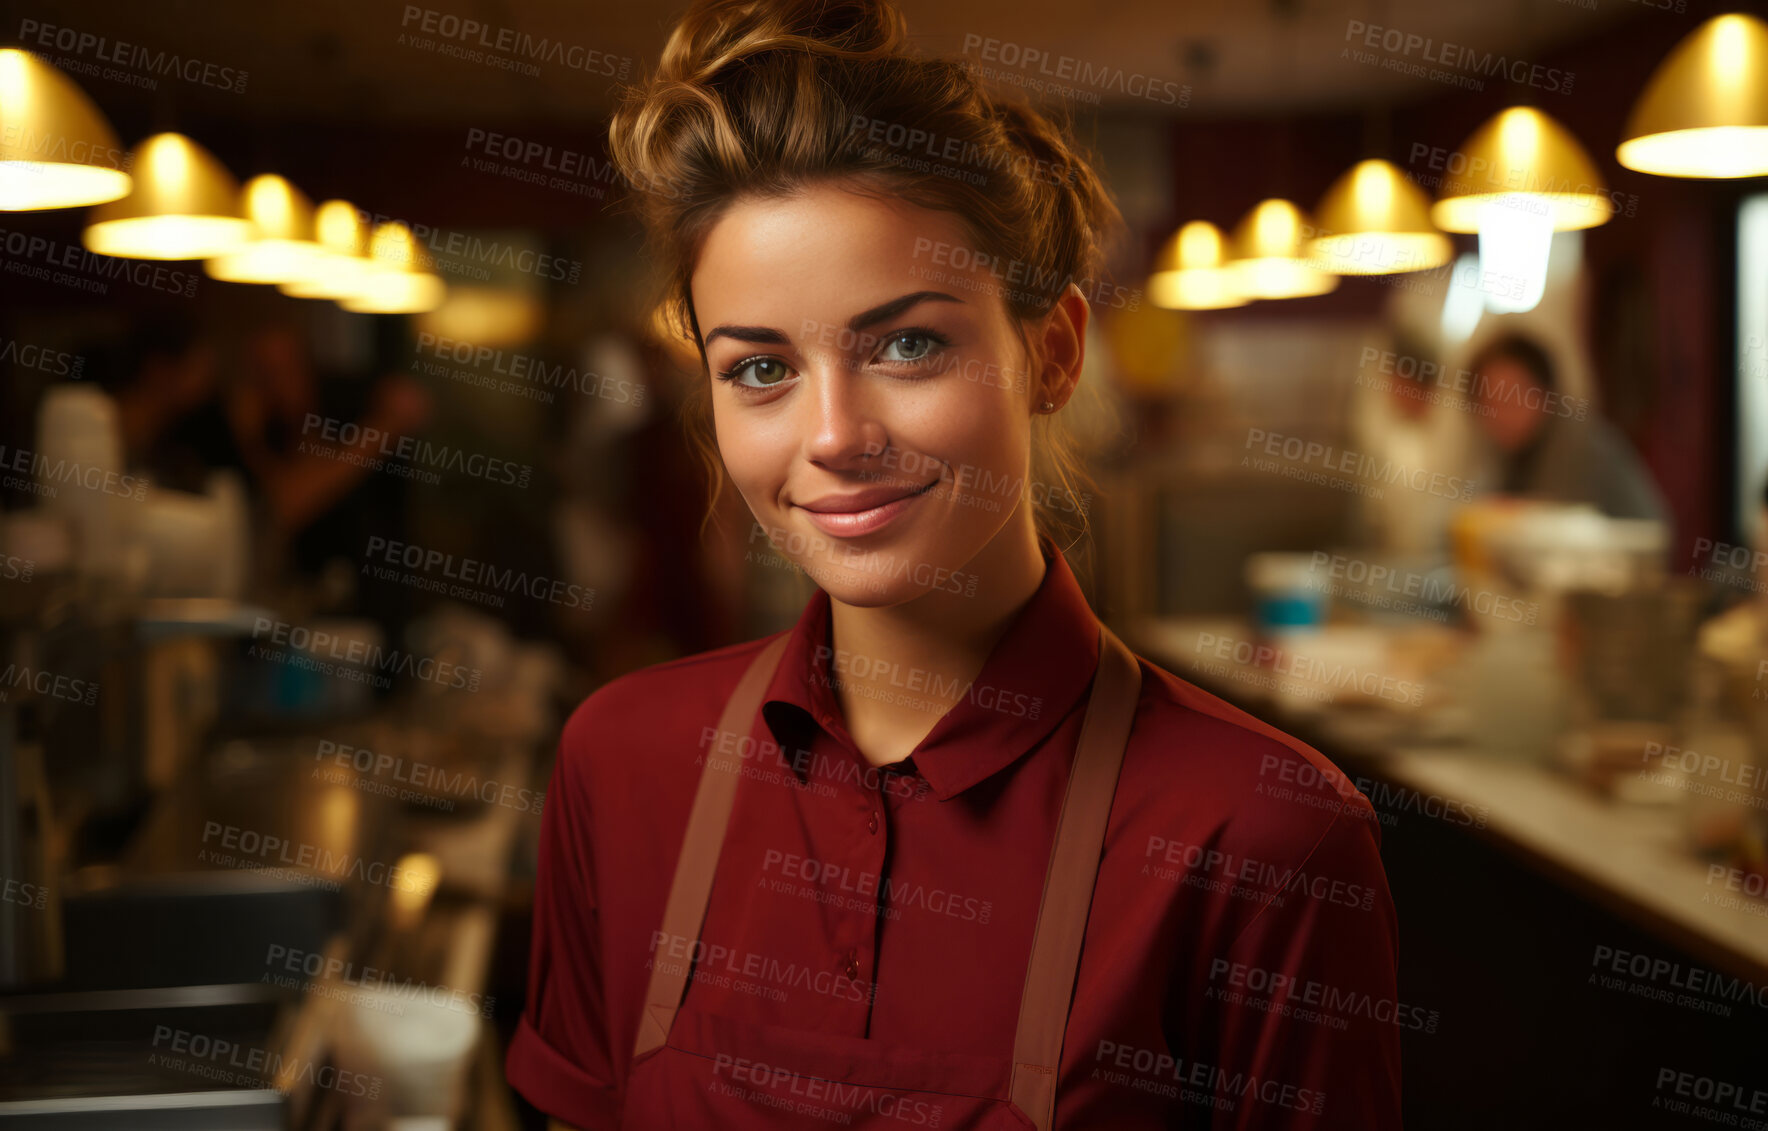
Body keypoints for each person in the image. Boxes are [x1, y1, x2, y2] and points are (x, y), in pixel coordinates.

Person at [506, 1, 1400, 1127]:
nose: (832, 434)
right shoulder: (619, 764)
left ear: (1052, 352)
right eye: (758, 369)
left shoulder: (1265, 834)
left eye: (907, 345)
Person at [1466, 332, 1668, 522]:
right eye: (1488, 403)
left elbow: (1553, 527)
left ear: (1545, 393)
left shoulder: (1577, 445)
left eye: (1512, 398)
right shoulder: (1513, 453)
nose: (1501, 415)